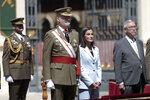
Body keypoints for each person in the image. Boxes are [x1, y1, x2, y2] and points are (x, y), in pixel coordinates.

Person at [42, 7, 80, 100]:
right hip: (57, 77)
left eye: (69, 17)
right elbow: (46, 57)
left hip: (71, 76)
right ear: (58, 19)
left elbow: (77, 57)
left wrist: (78, 74)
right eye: (64, 17)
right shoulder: (51, 34)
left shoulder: (75, 34)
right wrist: (47, 78)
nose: (67, 19)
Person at [2, 17, 34, 100]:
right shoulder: (9, 40)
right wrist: (7, 74)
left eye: (21, 25)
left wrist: (31, 72)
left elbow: (30, 57)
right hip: (14, 73)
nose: (21, 27)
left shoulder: (27, 38)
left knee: (23, 96)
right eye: (18, 25)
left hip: (26, 71)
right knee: (14, 96)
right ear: (13, 27)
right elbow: (5, 58)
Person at [113, 20, 147, 94]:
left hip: (141, 80)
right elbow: (117, 64)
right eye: (131, 27)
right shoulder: (119, 44)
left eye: (134, 26)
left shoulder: (139, 42)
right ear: (125, 30)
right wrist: (120, 82)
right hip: (128, 81)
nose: (134, 29)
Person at [78, 27, 102, 99]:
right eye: (88, 34)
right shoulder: (80, 49)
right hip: (84, 85)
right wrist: (91, 83)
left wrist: (98, 80)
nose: (91, 36)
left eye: (92, 34)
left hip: (96, 84)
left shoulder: (96, 49)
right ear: (83, 36)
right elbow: (81, 68)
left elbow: (98, 66)